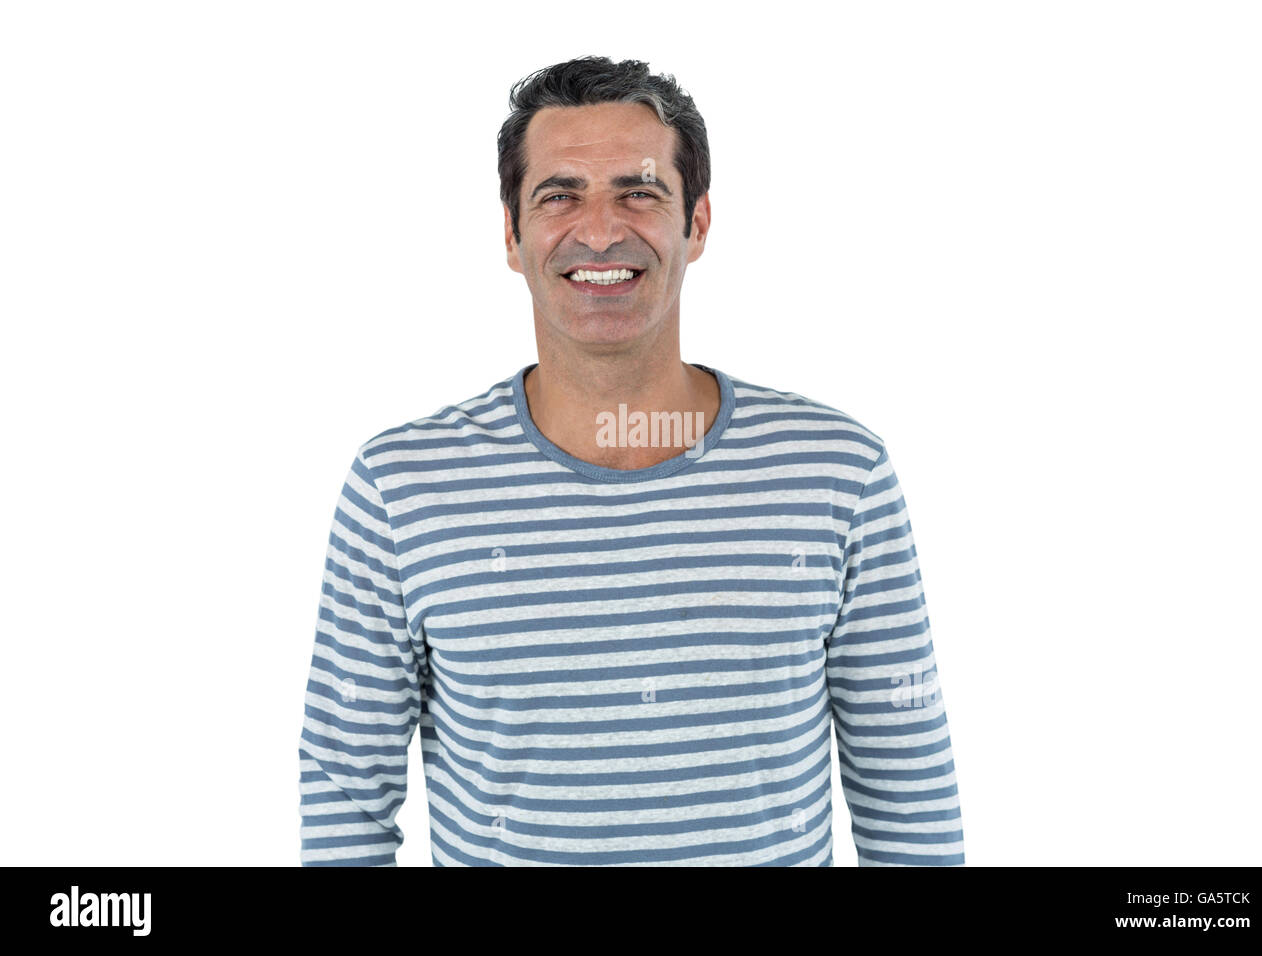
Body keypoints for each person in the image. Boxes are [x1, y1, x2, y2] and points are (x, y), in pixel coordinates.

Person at [297, 55, 964, 866]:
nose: (602, 230)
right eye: (559, 194)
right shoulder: (401, 487)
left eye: (639, 192)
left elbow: (906, 787)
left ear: (699, 223)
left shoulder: (836, 473)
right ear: (512, 233)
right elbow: (346, 791)